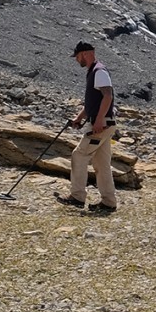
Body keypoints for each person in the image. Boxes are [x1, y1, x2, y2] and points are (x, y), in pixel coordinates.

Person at [63, 41, 118, 214]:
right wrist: (79, 118)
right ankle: (108, 201)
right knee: (102, 164)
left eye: (77, 56)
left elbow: (107, 96)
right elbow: (92, 104)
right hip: (106, 124)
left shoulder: (99, 71)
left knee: (79, 155)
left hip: (102, 125)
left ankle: (77, 197)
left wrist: (99, 119)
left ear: (86, 54)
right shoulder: (94, 72)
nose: (76, 60)